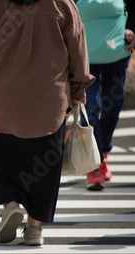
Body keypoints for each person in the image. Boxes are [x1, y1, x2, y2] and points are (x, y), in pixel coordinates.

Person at [0, 0, 94, 246]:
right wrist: (80, 84)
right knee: (43, 166)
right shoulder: (61, 3)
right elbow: (77, 43)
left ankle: (10, 205)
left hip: (3, 97)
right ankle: (33, 229)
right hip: (49, 100)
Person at [76, 0, 135, 190]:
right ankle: (95, 164)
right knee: (91, 109)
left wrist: (133, 29)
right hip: (85, 57)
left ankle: (103, 152)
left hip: (118, 54)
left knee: (114, 105)